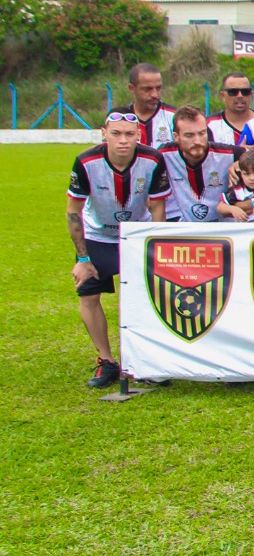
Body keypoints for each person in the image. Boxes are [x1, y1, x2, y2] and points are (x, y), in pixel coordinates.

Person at [68, 112, 170, 388]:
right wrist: (82, 258)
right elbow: (73, 211)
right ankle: (107, 361)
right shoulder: (86, 161)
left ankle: (144, 361)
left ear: (138, 135)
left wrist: (154, 245)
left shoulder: (152, 160)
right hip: (97, 235)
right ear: (104, 133)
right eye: (116, 134)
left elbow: (158, 206)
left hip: (137, 235)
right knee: (89, 294)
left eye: (129, 134)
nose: (123, 140)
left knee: (143, 297)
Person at [159, 106, 242, 223]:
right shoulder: (165, 154)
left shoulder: (230, 154)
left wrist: (241, 162)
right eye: (189, 135)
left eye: (202, 133)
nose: (197, 141)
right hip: (187, 231)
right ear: (176, 137)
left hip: (225, 232)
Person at [119, 62, 178, 147]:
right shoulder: (119, 119)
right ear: (132, 88)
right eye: (147, 89)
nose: (155, 94)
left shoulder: (174, 117)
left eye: (158, 88)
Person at [207, 72, 254, 145]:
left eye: (245, 92)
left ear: (251, 95)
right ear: (223, 96)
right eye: (233, 92)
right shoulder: (209, 125)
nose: (240, 95)